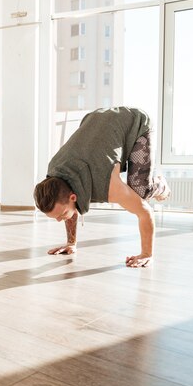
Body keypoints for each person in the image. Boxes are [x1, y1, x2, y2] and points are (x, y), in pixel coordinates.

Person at [33, 107, 170, 268]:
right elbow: (69, 204)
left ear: (73, 197)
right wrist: (71, 243)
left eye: (61, 214)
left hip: (134, 122)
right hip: (94, 120)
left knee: (140, 191)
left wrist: (147, 254)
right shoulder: (54, 176)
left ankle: (161, 186)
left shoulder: (108, 185)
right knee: (68, 204)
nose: (58, 220)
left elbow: (145, 212)